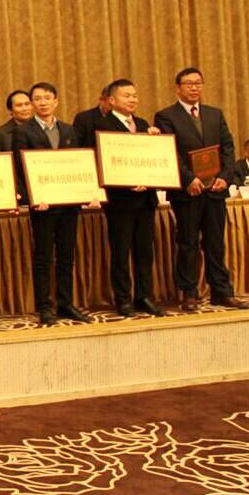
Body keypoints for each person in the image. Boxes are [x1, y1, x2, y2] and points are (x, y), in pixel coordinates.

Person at [154, 68, 249, 311]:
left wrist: (225, 177)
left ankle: (221, 291)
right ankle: (189, 293)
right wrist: (189, 178)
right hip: (188, 192)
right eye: (189, 83)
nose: (194, 87)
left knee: (216, 243)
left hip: (216, 189)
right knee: (188, 243)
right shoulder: (166, 116)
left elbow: (228, 147)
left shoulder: (215, 114)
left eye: (198, 83)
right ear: (178, 88)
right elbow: (169, 152)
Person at [12, 82, 93, 325]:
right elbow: (20, 168)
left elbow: (78, 163)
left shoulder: (68, 130)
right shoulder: (24, 132)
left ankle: (66, 303)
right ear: (32, 104)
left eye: (47, 98)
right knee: (43, 257)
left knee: (67, 256)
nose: (43, 102)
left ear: (56, 101)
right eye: (37, 99)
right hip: (43, 205)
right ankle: (44, 307)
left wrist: (87, 191)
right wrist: (33, 198)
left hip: (69, 204)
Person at [94, 78, 166, 318]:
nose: (132, 99)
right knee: (121, 252)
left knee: (144, 252)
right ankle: (123, 299)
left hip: (146, 199)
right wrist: (126, 182)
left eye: (134, 95)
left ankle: (144, 296)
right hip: (121, 201)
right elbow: (102, 163)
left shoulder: (143, 124)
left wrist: (156, 141)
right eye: (127, 96)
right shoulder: (103, 126)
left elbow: (153, 159)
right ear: (112, 100)